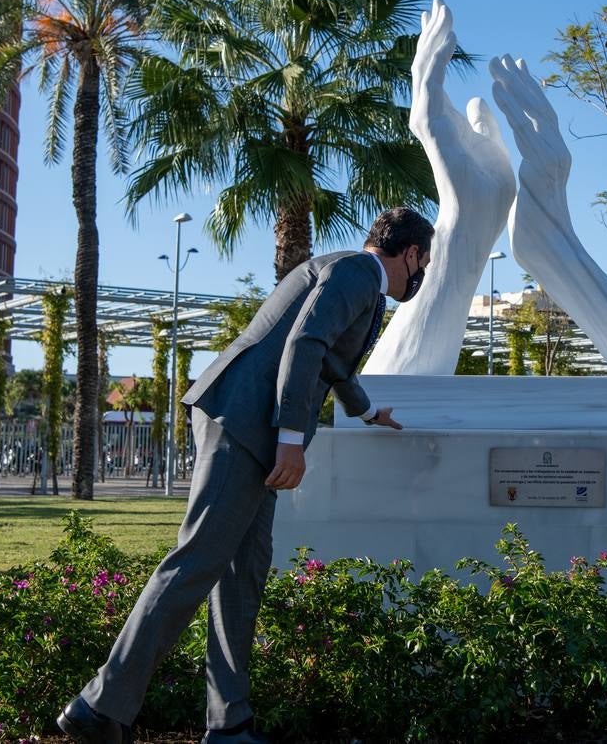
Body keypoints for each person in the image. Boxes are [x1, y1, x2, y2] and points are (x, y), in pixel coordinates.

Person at [58, 207, 434, 744]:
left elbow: (329, 361)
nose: (421, 274)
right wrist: (289, 437)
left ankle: (228, 722)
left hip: (251, 427)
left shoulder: (351, 275)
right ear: (412, 253)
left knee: (242, 574)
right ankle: (99, 705)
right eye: (424, 260)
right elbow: (305, 345)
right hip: (243, 423)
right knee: (196, 561)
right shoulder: (356, 271)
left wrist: (367, 411)